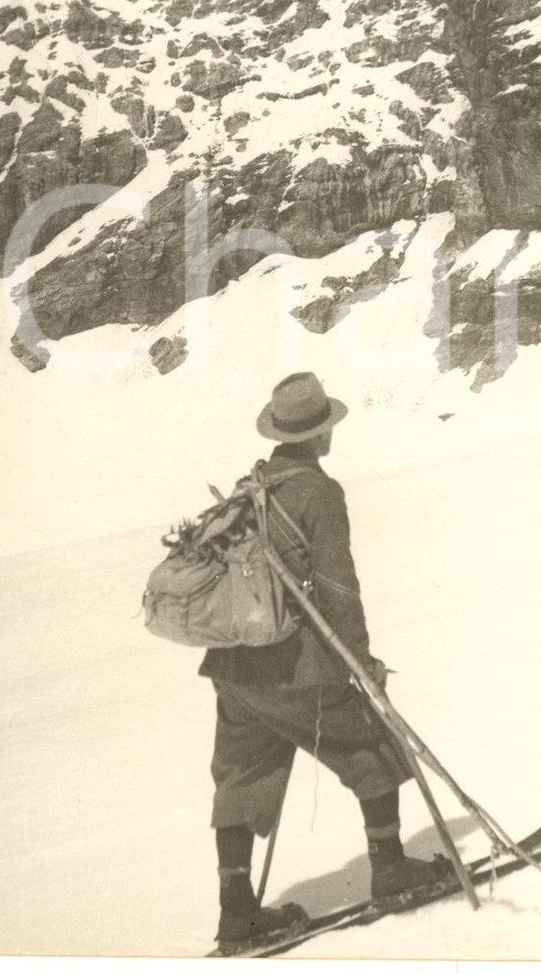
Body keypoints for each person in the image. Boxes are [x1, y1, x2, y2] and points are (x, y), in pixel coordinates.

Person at [200, 371, 448, 949]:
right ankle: (389, 867)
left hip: (234, 670)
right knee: (371, 743)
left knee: (241, 777)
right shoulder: (317, 492)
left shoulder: (249, 487)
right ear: (320, 435)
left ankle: (236, 913)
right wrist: (362, 663)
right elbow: (338, 587)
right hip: (295, 667)